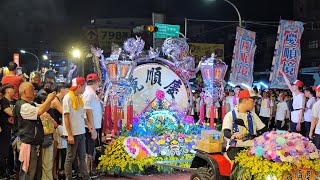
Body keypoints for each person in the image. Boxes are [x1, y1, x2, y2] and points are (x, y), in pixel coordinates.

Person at [14, 82, 56, 180]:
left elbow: (44, 108)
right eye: (32, 89)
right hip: (28, 143)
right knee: (28, 172)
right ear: (24, 92)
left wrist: (50, 100)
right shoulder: (23, 106)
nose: (34, 92)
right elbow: (40, 111)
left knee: (36, 172)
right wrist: (49, 99)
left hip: (34, 142)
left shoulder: (30, 104)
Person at [222, 89, 267, 161]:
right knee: (242, 161)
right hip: (236, 147)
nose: (254, 104)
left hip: (252, 146)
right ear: (244, 101)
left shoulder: (253, 115)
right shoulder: (230, 115)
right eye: (253, 101)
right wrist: (233, 135)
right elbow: (226, 132)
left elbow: (263, 129)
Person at [62, 77, 90, 180]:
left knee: (82, 157)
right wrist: (69, 134)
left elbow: (82, 116)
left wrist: (90, 127)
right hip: (73, 133)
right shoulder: (68, 98)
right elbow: (66, 117)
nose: (84, 88)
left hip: (81, 131)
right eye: (84, 86)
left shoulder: (79, 98)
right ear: (79, 86)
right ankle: (68, 178)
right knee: (70, 158)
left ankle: (85, 176)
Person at [82, 74, 102, 176]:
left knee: (90, 150)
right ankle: (87, 173)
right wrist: (92, 129)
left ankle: (89, 172)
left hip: (93, 126)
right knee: (88, 151)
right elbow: (88, 111)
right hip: (90, 128)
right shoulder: (89, 93)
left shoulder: (91, 92)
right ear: (97, 82)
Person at [280, 69, 306, 133]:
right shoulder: (294, 94)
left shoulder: (302, 96)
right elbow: (288, 83)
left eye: (293, 85)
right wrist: (283, 73)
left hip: (298, 120)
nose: (292, 86)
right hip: (293, 118)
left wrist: (299, 123)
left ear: (297, 86)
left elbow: (302, 110)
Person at [0, 84, 16, 179]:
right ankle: (2, 172)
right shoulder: (3, 101)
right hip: (5, 129)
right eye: (12, 88)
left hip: (15, 130)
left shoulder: (15, 101)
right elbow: (11, 112)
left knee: (11, 153)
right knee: (4, 152)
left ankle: (10, 171)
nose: (14, 90)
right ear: (7, 90)